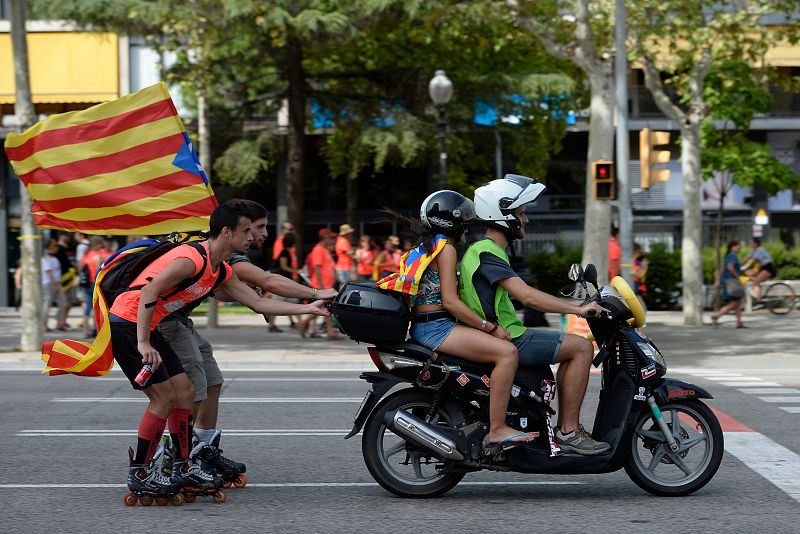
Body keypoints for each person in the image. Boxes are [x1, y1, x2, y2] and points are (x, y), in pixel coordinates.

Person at [109, 200, 329, 498]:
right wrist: (144, 342)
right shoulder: (191, 259)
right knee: (164, 398)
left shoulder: (219, 269)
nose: (253, 237)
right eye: (247, 230)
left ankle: (184, 464)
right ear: (226, 232)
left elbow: (259, 303)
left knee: (185, 391)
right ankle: (141, 473)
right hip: (128, 323)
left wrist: (310, 308)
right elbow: (149, 290)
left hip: (147, 324)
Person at [461, 175, 611, 455]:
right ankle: (569, 432)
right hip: (510, 337)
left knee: (572, 346)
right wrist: (580, 309)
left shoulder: (485, 251)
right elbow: (528, 296)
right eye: (521, 213)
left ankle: (558, 426)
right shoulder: (487, 252)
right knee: (580, 348)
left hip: (500, 333)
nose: (526, 219)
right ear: (503, 215)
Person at [382, 191, 535, 450]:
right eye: (463, 219)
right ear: (449, 222)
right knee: (507, 353)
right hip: (437, 327)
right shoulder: (447, 249)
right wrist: (489, 327)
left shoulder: (426, 248)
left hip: (427, 325)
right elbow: (451, 302)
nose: (467, 224)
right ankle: (497, 429)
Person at [299, 228, 340, 339]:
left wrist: (338, 279)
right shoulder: (318, 250)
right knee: (324, 309)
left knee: (326, 309)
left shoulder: (324, 250)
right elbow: (317, 268)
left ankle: (330, 332)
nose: (332, 240)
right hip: (321, 286)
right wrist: (321, 289)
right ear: (325, 238)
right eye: (330, 238)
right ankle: (304, 322)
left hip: (326, 285)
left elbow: (329, 268)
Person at [78, 236, 111, 338]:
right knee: (97, 307)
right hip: (95, 283)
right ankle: (96, 331)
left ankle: (85, 331)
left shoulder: (86, 254)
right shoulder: (99, 254)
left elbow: (79, 267)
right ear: (97, 244)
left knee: (87, 307)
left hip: (85, 283)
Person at [711, 240, 746, 328]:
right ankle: (717, 315)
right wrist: (739, 278)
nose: (740, 248)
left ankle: (739, 322)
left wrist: (718, 281)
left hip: (727, 281)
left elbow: (722, 269)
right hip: (732, 282)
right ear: (732, 247)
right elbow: (730, 268)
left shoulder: (727, 256)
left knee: (737, 302)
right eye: (738, 247)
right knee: (734, 303)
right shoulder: (733, 256)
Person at [741, 237, 776, 307]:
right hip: (762, 268)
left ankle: (759, 301)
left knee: (755, 283)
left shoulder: (760, 250)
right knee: (748, 273)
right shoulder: (754, 250)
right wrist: (738, 265)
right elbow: (746, 258)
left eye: (751, 242)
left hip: (768, 268)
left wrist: (743, 267)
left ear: (756, 243)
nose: (750, 244)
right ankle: (760, 293)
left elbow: (752, 260)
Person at [41, 238, 67, 332]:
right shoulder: (45, 258)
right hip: (49, 284)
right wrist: (55, 284)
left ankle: (59, 323)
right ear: (50, 247)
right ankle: (44, 325)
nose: (57, 247)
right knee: (47, 304)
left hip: (56, 283)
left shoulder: (54, 258)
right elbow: (49, 272)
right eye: (54, 246)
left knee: (63, 303)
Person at [54, 232, 77, 330]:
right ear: (60, 236)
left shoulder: (70, 247)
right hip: (62, 279)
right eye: (65, 235)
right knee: (64, 302)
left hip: (71, 277)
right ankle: (60, 322)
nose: (67, 237)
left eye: (68, 235)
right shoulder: (57, 249)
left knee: (70, 301)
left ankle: (63, 321)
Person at [631, 243, 649, 310]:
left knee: (638, 298)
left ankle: (643, 314)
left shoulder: (642, 261)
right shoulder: (637, 260)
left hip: (635, 282)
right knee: (638, 298)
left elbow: (639, 274)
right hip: (635, 281)